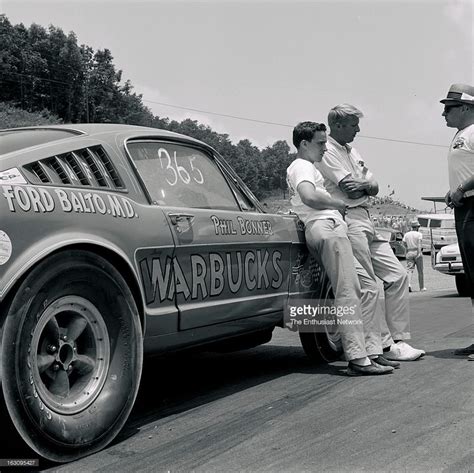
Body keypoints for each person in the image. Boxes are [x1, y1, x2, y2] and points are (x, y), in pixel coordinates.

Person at [287, 121, 398, 375]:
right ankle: (358, 359)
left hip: (331, 227)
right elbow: (309, 196)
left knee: (367, 286)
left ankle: (372, 351)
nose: (326, 148)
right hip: (325, 226)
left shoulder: (309, 166)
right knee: (348, 291)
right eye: (320, 143)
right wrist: (337, 202)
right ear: (304, 144)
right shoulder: (302, 165)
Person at [316, 104, 425, 361]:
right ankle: (384, 346)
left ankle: (398, 340)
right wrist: (367, 186)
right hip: (350, 218)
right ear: (339, 125)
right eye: (354, 125)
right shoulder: (328, 151)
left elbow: (373, 186)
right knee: (369, 286)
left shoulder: (352, 151)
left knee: (398, 276)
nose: (358, 129)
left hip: (367, 216)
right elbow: (351, 189)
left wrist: (366, 185)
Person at [441, 83, 474, 359]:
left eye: (448, 108)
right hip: (465, 207)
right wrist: (455, 190)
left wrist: (462, 189)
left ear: (465, 107)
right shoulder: (462, 135)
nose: (444, 114)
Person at [403, 219, 426, 292]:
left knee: (409, 270)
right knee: (420, 271)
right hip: (416, 251)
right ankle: (421, 287)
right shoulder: (419, 234)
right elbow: (419, 243)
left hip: (409, 251)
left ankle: (409, 284)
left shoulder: (406, 234)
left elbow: (404, 243)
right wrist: (419, 253)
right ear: (416, 227)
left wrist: (406, 251)